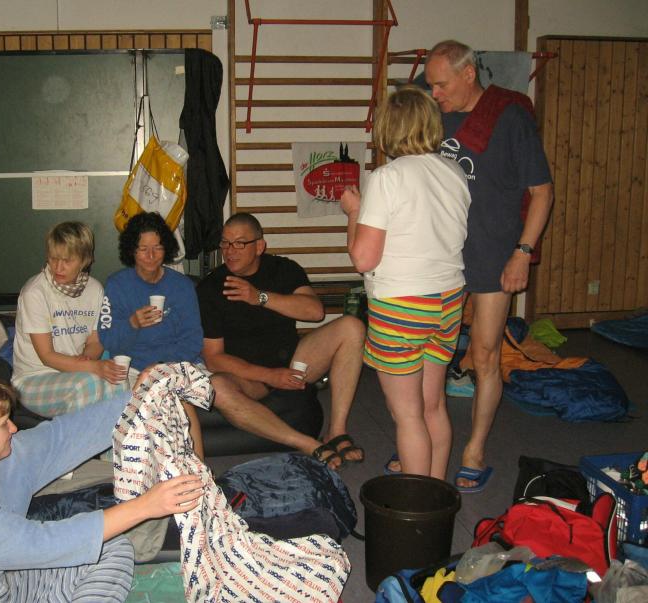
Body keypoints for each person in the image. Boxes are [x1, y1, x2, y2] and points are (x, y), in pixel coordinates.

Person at [0, 374, 203, 603]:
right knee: (85, 540)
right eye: (3, 424)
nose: (14, 428)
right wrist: (146, 506)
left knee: (112, 547)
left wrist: (141, 398)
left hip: (2, 586)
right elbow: (42, 543)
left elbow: (65, 436)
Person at [417, 40, 554, 491]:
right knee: (429, 351)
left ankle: (474, 449)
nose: (435, 93)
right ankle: (421, 437)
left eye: (441, 84)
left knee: (485, 354)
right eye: (430, 85)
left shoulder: (508, 118)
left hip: (494, 252)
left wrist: (523, 252)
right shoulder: (433, 116)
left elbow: (542, 192)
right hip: (441, 252)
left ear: (468, 74)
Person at [340, 86, 471, 480]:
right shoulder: (454, 172)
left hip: (402, 304)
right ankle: (437, 490)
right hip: (448, 299)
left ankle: (418, 501)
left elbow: (363, 258)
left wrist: (354, 212)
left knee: (408, 414)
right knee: (433, 406)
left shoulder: (387, 178)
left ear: (387, 128)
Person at [196, 212, 366, 469]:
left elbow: (315, 312)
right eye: (225, 243)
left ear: (259, 246)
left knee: (352, 327)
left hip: (295, 362)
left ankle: (337, 431)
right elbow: (214, 358)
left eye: (239, 243)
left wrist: (259, 297)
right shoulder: (211, 287)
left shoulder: (283, 269)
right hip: (250, 377)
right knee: (215, 386)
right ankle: (306, 443)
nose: (230, 251)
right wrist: (270, 375)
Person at [98, 212, 205, 457]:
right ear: (131, 251)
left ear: (166, 249)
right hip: (132, 367)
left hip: (175, 364)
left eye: (157, 247)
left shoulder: (181, 286)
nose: (151, 255)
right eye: (143, 249)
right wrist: (132, 323)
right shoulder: (116, 285)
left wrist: (161, 366)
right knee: (128, 402)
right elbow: (108, 340)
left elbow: (193, 341)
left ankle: (198, 468)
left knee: (175, 398)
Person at [12, 221, 126, 417]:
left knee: (118, 383)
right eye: (53, 258)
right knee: (87, 385)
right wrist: (92, 367)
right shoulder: (35, 292)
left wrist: (87, 359)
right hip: (33, 379)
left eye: (67, 260)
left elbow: (95, 341)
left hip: (75, 372)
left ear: (85, 260)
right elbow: (46, 355)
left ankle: (111, 438)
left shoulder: (95, 290)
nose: (58, 267)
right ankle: (78, 437)